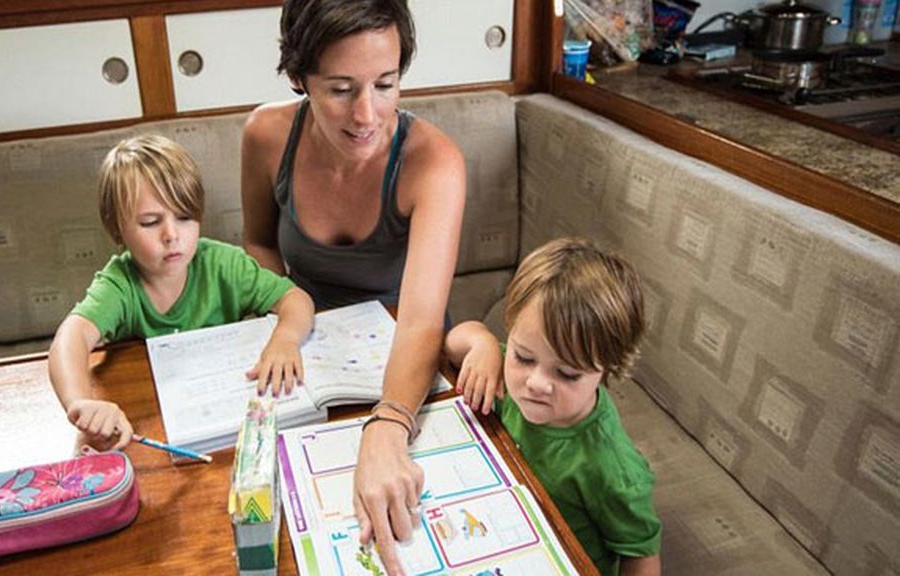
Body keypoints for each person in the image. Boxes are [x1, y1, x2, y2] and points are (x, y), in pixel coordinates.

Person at [240, 1, 465, 573]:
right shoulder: (266, 135)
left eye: (385, 84)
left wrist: (390, 424)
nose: (368, 114)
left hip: (405, 370)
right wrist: (290, 321)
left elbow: (421, 318)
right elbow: (260, 246)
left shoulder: (433, 162)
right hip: (304, 358)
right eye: (340, 89)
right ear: (300, 78)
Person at [49, 135, 314, 451]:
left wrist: (285, 340)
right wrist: (80, 400)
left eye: (185, 217)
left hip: (230, 417)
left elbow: (295, 299)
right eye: (150, 222)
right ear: (117, 229)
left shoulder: (224, 265)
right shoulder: (119, 284)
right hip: (154, 424)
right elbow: (70, 338)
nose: (171, 235)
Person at [444, 238, 662, 576]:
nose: (536, 383)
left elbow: (641, 553)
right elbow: (454, 341)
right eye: (524, 356)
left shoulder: (612, 468)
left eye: (567, 373)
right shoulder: (502, 368)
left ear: (609, 368)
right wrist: (482, 343)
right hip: (498, 529)